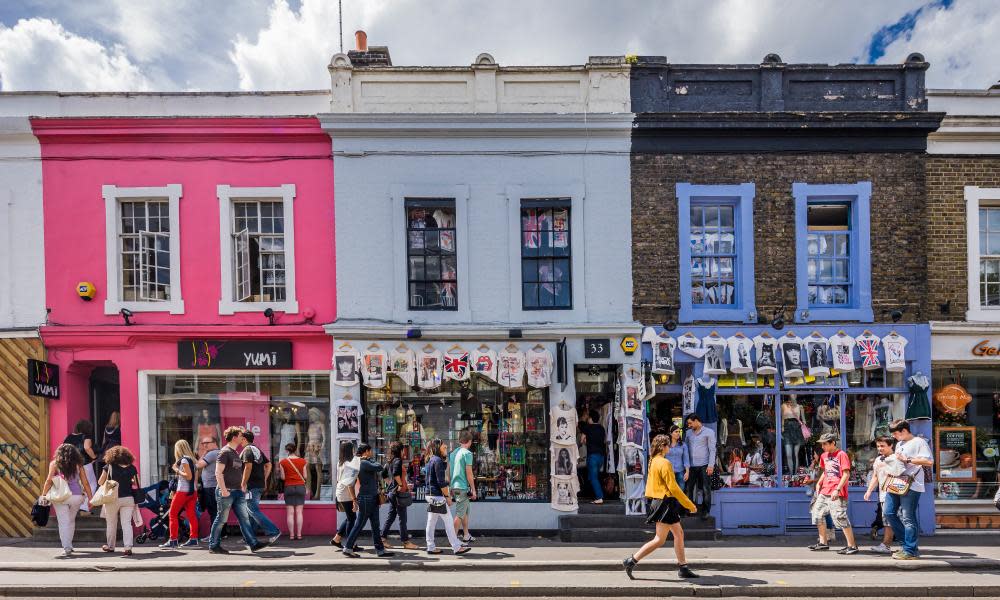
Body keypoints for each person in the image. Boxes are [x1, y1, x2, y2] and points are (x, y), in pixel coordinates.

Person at [623, 434, 699, 580]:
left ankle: (683, 567)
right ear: (663, 446)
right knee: (659, 539)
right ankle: (631, 561)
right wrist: (689, 504)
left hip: (659, 502)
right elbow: (674, 487)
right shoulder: (665, 463)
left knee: (679, 534)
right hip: (665, 502)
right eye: (668, 445)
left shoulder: (653, 461)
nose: (670, 447)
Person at [208, 427, 267, 554]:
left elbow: (236, 472)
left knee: (244, 518)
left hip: (238, 492)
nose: (242, 438)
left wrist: (242, 487)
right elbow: (218, 473)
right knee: (221, 519)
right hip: (227, 492)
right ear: (234, 437)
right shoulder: (224, 452)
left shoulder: (234, 452)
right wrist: (224, 491)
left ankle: (253, 543)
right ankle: (213, 545)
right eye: (240, 436)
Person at [885, 419, 933, 560]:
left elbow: (929, 462)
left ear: (904, 431)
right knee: (889, 512)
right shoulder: (900, 443)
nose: (894, 436)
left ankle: (910, 550)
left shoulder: (919, 442)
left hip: (912, 484)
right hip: (897, 481)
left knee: (908, 517)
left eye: (895, 433)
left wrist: (908, 460)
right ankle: (906, 544)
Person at [808, 432, 858, 555]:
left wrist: (838, 489)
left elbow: (846, 474)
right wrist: (819, 483)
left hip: (836, 490)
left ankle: (852, 546)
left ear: (833, 443)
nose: (823, 447)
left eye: (825, 444)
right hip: (825, 489)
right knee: (817, 513)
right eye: (822, 444)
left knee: (840, 517)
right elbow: (825, 472)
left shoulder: (842, 455)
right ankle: (823, 543)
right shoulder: (824, 456)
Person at [342, 444, 394, 558]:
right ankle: (348, 547)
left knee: (375, 525)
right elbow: (379, 466)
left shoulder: (363, 462)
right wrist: (369, 459)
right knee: (359, 524)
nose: (372, 453)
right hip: (366, 498)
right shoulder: (364, 463)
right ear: (366, 451)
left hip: (372, 497)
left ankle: (380, 550)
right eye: (370, 451)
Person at [40, 443, 92, 556]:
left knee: (63, 522)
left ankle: (67, 547)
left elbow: (49, 481)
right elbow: (85, 483)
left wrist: (43, 495)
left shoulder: (54, 464)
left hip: (60, 496)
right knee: (71, 520)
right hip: (76, 496)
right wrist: (90, 498)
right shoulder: (78, 465)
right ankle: (69, 545)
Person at [423, 439, 471, 556]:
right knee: (449, 522)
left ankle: (430, 546)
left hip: (429, 495)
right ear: (438, 448)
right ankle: (456, 547)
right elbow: (441, 482)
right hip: (438, 496)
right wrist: (448, 497)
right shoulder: (437, 460)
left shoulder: (430, 460)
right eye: (444, 448)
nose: (446, 450)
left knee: (431, 522)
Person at [240, 430, 281, 544]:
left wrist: (243, 483)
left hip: (251, 485)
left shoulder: (247, 450)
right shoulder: (256, 449)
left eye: (240, 438)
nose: (239, 441)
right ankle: (249, 537)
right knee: (251, 511)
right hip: (258, 485)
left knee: (252, 510)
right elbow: (268, 465)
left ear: (244, 439)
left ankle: (274, 531)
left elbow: (248, 467)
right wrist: (264, 478)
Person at [97, 445, 139, 556]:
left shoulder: (109, 467)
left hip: (112, 498)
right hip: (128, 498)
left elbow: (100, 482)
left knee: (111, 523)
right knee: (126, 524)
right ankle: (128, 547)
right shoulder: (132, 468)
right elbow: (136, 483)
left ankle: (111, 546)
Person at [160, 440, 200, 548]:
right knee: (192, 516)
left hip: (182, 491)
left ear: (179, 449)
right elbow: (195, 479)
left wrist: (176, 470)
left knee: (172, 515)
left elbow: (189, 476)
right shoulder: (194, 461)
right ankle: (193, 539)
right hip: (193, 492)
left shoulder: (184, 461)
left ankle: (173, 540)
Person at [381, 441, 419, 550]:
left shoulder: (390, 461)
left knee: (391, 516)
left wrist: (391, 485)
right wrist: (400, 485)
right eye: (403, 449)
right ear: (400, 450)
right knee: (402, 518)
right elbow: (396, 474)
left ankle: (382, 538)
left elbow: (384, 474)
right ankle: (406, 542)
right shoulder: (397, 461)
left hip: (393, 493)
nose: (404, 451)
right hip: (398, 494)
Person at [864, 436, 897, 554]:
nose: (880, 448)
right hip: (883, 494)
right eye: (878, 446)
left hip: (896, 493)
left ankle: (890, 544)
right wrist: (869, 491)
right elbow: (875, 476)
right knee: (887, 520)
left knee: (892, 520)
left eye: (882, 446)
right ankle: (887, 545)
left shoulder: (896, 458)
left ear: (891, 445)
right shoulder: (878, 460)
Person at [683, 414, 716, 519]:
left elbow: (712, 450)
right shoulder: (688, 433)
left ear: (696, 421)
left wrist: (711, 465)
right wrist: (686, 466)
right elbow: (685, 449)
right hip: (691, 465)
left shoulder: (709, 432)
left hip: (704, 465)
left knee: (706, 488)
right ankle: (690, 509)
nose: (689, 425)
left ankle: (706, 511)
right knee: (689, 488)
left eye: (690, 423)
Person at [331, 442, 362, 551]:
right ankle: (351, 544)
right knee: (352, 518)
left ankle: (337, 539)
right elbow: (349, 484)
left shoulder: (341, 462)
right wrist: (354, 499)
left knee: (350, 517)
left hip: (340, 491)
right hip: (346, 493)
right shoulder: (349, 464)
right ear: (351, 450)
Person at [449, 430, 478, 544]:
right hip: (462, 487)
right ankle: (454, 540)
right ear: (469, 441)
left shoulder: (454, 453)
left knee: (465, 511)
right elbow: (469, 473)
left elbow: (449, 470)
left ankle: (466, 535)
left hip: (455, 486)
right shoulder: (467, 453)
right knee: (460, 514)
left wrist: (451, 486)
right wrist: (473, 490)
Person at [64, 420, 98, 512]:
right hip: (84, 464)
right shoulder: (86, 436)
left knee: (76, 485)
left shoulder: (69, 437)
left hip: (71, 465)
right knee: (92, 484)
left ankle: (76, 505)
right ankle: (84, 507)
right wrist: (94, 457)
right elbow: (87, 447)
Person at [278, 442, 308, 540]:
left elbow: (282, 477)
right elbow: (305, 476)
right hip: (300, 487)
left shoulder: (282, 462)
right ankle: (299, 535)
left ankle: (291, 535)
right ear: (295, 450)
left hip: (288, 487)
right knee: (299, 512)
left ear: (287, 451)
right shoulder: (303, 461)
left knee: (290, 513)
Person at [579, 409, 607, 505]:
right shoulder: (602, 428)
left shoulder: (587, 428)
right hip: (601, 456)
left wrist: (588, 442)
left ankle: (600, 497)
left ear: (590, 418)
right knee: (592, 477)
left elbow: (582, 440)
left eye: (588, 418)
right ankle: (597, 495)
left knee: (593, 478)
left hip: (593, 456)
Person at [196, 437, 220, 543]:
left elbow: (198, 465)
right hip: (213, 486)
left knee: (213, 511)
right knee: (217, 511)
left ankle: (214, 536)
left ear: (214, 443)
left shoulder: (212, 454)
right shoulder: (217, 453)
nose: (205, 445)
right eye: (203, 443)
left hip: (211, 487)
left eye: (207, 443)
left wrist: (204, 453)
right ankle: (219, 534)